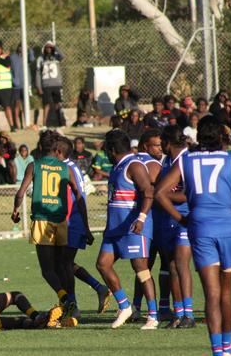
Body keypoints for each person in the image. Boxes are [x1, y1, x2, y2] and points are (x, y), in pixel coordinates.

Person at [155, 116, 231, 356]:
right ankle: (226, 345)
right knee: (226, 291)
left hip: (200, 226)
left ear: (199, 136)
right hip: (227, 226)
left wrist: (181, 218)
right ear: (222, 137)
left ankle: (217, 350)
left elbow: (160, 192)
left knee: (211, 293)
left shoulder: (187, 161)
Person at [11, 130, 90, 326]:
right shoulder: (66, 168)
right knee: (63, 266)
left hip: (42, 220)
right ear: (55, 148)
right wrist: (86, 227)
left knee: (47, 270)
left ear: (39, 147)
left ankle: (67, 301)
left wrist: (15, 210)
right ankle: (71, 305)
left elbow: (21, 193)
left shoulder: (34, 165)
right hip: (62, 221)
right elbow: (79, 197)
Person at [96, 129, 158, 330]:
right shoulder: (117, 167)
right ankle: (124, 306)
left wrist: (141, 218)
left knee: (141, 268)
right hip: (115, 228)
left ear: (112, 150)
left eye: (106, 149)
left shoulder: (134, 165)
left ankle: (153, 316)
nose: (105, 153)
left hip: (133, 227)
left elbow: (148, 191)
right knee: (103, 264)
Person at [57, 136, 108, 317]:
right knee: (65, 263)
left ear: (58, 152)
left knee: (63, 264)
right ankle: (98, 288)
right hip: (72, 222)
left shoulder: (68, 168)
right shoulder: (70, 167)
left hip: (74, 222)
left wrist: (85, 228)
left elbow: (80, 198)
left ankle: (73, 306)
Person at [154, 126, 196, 328]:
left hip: (184, 218)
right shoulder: (167, 161)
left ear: (167, 142)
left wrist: (160, 194)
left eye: (161, 141)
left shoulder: (186, 160)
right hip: (167, 219)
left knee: (181, 264)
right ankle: (179, 314)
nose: (160, 145)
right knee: (171, 266)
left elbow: (187, 194)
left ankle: (189, 314)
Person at [129, 129, 164, 323]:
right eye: (156, 145)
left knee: (142, 267)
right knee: (164, 266)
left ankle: (136, 306)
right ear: (145, 146)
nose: (160, 149)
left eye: (160, 145)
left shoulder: (133, 161)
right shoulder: (151, 164)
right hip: (155, 221)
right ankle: (164, 307)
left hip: (142, 221)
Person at [35, 41, 65, 127]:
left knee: (57, 104)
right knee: (46, 104)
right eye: (47, 47)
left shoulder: (56, 56)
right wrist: (39, 87)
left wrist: (55, 47)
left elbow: (62, 56)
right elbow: (38, 74)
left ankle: (60, 122)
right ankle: (44, 124)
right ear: (44, 48)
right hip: (46, 85)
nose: (48, 49)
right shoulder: (40, 59)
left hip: (56, 84)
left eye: (50, 47)